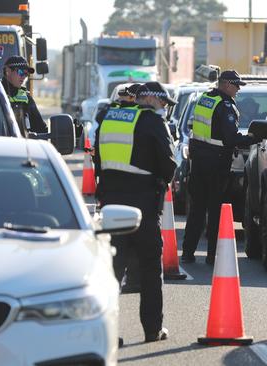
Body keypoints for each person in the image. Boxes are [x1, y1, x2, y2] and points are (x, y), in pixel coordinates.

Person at [95, 81, 177, 343]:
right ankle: (152, 330)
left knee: (111, 270)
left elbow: (98, 160)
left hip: (110, 206)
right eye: (164, 103)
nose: (164, 108)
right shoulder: (152, 121)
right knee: (151, 269)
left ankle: (106, 332)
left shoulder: (108, 118)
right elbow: (169, 166)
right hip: (143, 206)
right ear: (151, 99)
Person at [181, 70, 261, 264]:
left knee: (197, 210)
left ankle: (188, 253)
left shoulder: (205, 98)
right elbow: (230, 138)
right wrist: (252, 138)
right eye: (236, 85)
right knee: (215, 209)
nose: (238, 90)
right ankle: (211, 256)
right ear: (225, 84)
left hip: (199, 162)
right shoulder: (225, 106)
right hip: (216, 164)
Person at [94, 83, 142, 294]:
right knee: (133, 236)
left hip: (109, 184)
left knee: (114, 235)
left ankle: (110, 280)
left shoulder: (107, 116)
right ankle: (131, 281)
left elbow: (98, 154)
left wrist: (99, 183)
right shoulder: (142, 118)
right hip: (135, 185)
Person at [1, 56, 47, 135]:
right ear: (8, 71)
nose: (24, 77)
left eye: (26, 74)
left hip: (22, 145)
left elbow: (41, 129)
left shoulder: (26, 97)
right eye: (21, 72)